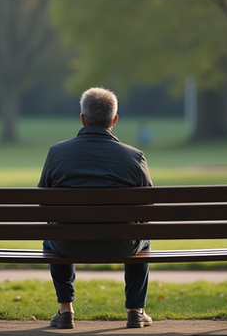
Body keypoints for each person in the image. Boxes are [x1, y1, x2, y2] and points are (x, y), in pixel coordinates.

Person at [38, 87, 153, 330]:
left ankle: (66, 310)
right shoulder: (134, 157)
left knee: (54, 232)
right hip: (122, 244)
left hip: (67, 243)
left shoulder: (56, 153)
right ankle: (136, 311)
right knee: (142, 234)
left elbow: (43, 203)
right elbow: (147, 208)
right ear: (114, 120)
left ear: (82, 118)